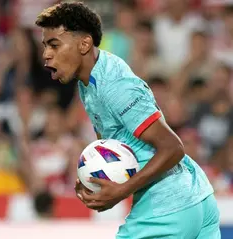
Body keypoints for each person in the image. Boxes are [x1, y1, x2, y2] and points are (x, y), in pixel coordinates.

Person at [35, 2, 220, 238]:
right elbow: (114, 146)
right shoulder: (89, 82)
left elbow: (173, 148)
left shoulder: (114, 85)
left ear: (84, 44)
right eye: (44, 45)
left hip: (168, 208)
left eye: (54, 45)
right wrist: (94, 179)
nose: (46, 55)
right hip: (195, 198)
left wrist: (120, 191)